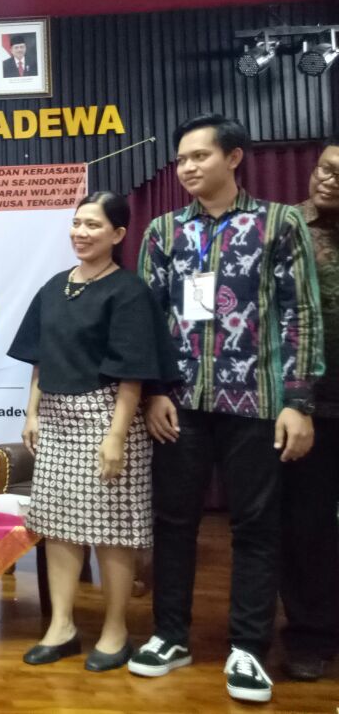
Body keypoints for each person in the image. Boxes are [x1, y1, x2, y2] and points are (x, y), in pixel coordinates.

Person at [129, 114, 324, 704]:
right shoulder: (164, 231)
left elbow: (301, 313)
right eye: (182, 159)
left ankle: (248, 649)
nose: (188, 168)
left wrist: (298, 402)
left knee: (256, 528)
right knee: (173, 523)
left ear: (234, 157)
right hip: (179, 404)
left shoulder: (279, 223)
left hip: (257, 403)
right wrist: (154, 392)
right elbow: (148, 320)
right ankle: (170, 636)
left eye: (200, 156)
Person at [8, 191, 179, 673]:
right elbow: (39, 359)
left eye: (94, 225)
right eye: (77, 223)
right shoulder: (54, 287)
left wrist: (116, 436)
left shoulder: (128, 291)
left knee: (112, 529)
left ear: (118, 234)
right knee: (58, 527)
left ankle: (115, 631)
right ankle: (61, 627)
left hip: (107, 417)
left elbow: (133, 372)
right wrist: (32, 413)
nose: (81, 233)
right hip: (56, 418)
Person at [279, 134, 339, 681]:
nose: (329, 179)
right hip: (309, 404)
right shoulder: (286, 227)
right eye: (324, 168)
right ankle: (310, 634)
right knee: (306, 524)